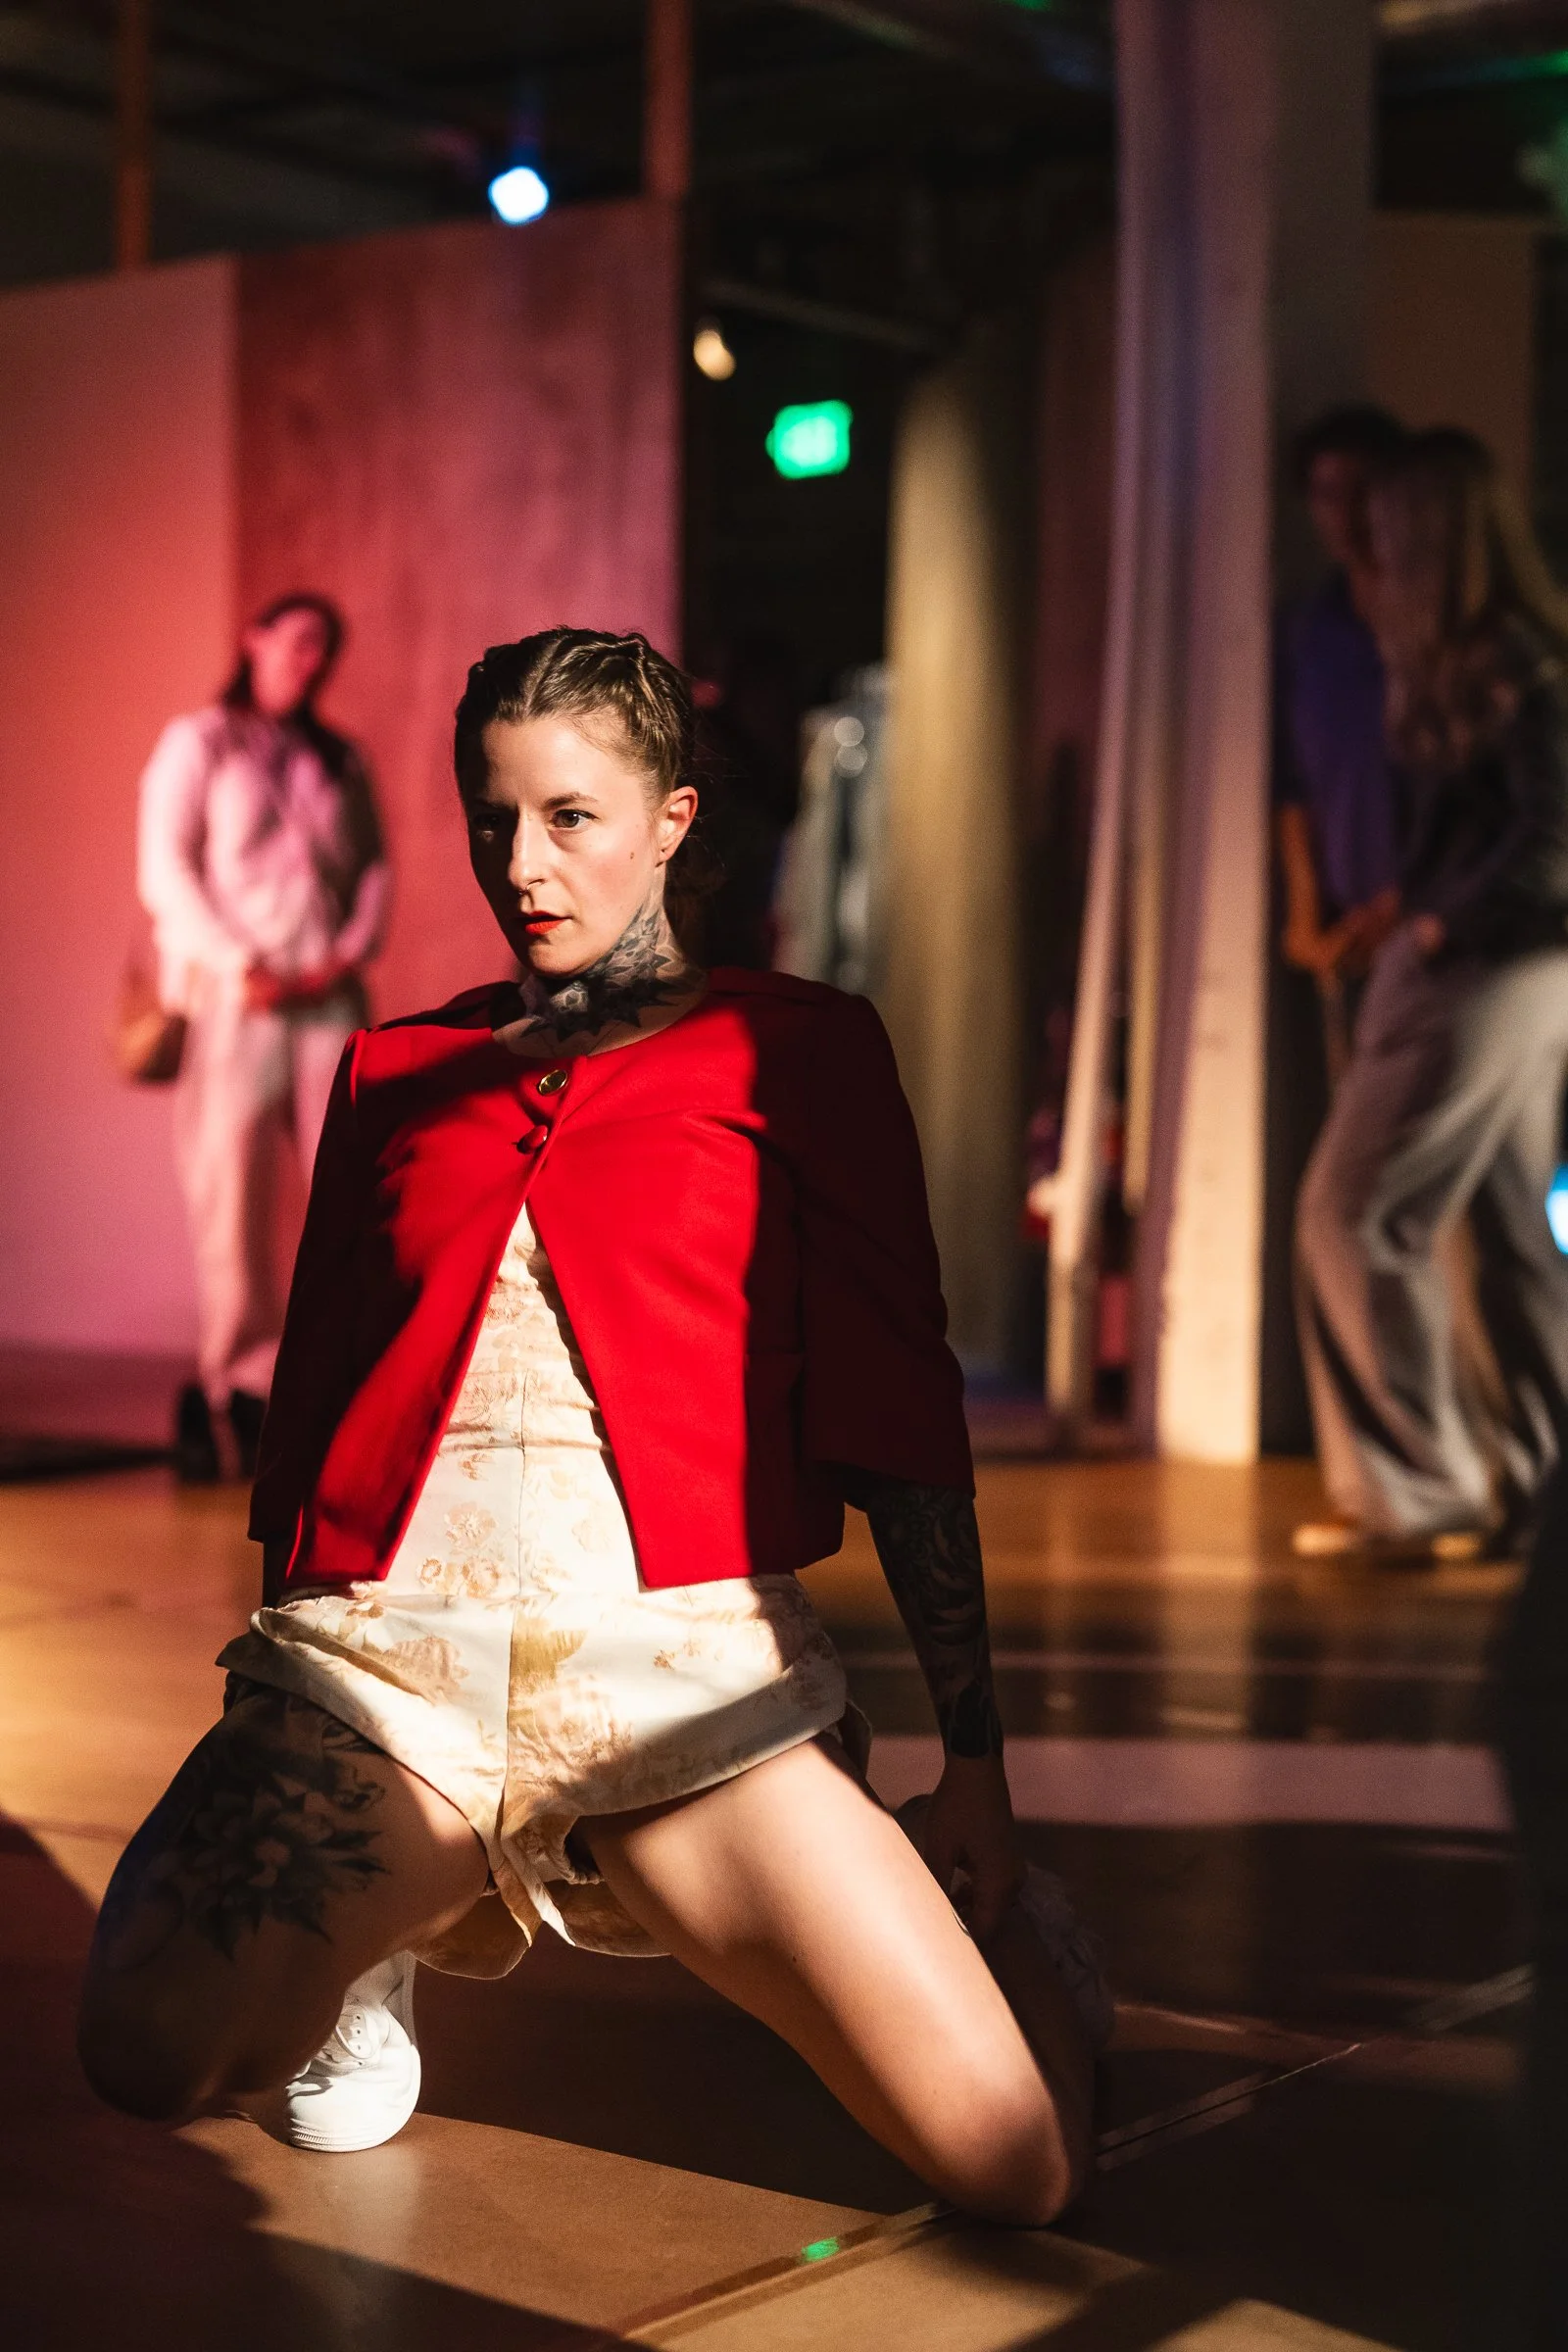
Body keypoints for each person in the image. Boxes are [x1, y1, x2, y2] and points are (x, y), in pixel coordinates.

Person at [79, 629, 1104, 2218]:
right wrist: (278, 1688)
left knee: (1015, 2168)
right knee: (148, 2048)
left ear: (673, 820)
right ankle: (372, 1948)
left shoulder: (802, 1050)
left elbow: (903, 1414)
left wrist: (975, 1763)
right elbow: (312, 1428)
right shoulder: (395, 1071)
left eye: (571, 816)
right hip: (385, 1678)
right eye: (494, 818)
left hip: (679, 1683)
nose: (523, 862)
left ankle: (1004, 1943)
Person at [1294, 431, 1568, 1560]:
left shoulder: (1505, 662)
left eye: (1388, 528)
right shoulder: (1479, 655)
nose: (1366, 546)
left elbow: (1549, 838)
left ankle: (1426, 1489)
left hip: (1488, 965)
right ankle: (1535, 1493)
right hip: (1500, 962)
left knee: (1355, 1213)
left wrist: (1439, 922)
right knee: (1504, 1233)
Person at [137, 594, 389, 1484]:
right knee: (231, 1190)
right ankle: (239, 1385)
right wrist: (239, 962)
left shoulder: (337, 757)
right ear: (256, 640)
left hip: (323, 998)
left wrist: (342, 960)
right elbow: (165, 866)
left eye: (327, 646)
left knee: (347, 1186)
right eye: (300, 641)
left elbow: (372, 871)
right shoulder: (200, 742)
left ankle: (341, 1383)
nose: (312, 661)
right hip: (236, 999)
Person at [1274, 406, 1408, 1080]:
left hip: (1431, 928)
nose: (1345, 514)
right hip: (1345, 940)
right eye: (1327, 495)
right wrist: (1306, 919)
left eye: (1362, 491)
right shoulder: (1310, 629)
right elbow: (1294, 782)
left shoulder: (1426, 623)